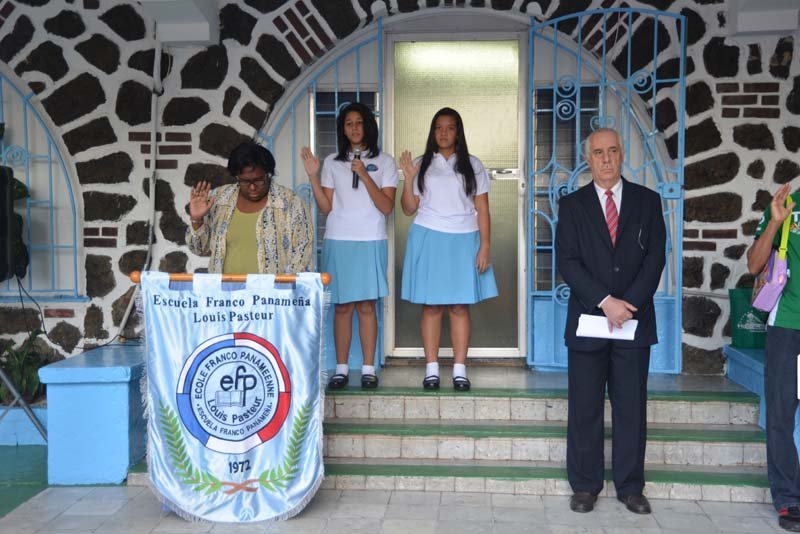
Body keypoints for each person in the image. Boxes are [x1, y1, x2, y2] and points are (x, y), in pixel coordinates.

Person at [555, 127, 665, 515]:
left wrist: (627, 305)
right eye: (599, 152)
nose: (606, 159)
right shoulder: (572, 205)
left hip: (633, 321)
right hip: (589, 321)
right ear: (588, 159)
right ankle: (585, 486)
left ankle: (630, 487)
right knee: (584, 407)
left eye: (613, 151)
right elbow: (567, 261)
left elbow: (655, 258)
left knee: (630, 407)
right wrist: (605, 302)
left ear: (621, 155)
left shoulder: (647, 201)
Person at [399, 107, 497, 392]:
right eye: (438, 128)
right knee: (431, 305)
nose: (443, 133)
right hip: (429, 236)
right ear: (432, 132)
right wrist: (408, 179)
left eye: (450, 128)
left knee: (459, 305)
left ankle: (459, 370)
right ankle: (431, 369)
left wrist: (485, 245)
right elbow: (408, 209)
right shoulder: (420, 164)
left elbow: (482, 209)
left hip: (464, 239)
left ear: (458, 132)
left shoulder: (473, 165)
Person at [300, 102, 398, 390]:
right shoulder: (332, 162)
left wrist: (365, 175)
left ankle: (368, 368)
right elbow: (326, 207)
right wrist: (313, 176)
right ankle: (341, 369)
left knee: (367, 305)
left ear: (368, 126)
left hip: (371, 239)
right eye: (348, 123)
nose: (354, 128)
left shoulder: (385, 162)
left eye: (359, 122)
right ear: (342, 129)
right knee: (342, 306)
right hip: (339, 238)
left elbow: (387, 207)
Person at [747, 182, 800, 532]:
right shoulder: (787, 205)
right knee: (781, 416)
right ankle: (789, 499)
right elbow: (754, 265)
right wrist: (775, 222)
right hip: (788, 327)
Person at [186, 142, 313, 274]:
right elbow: (199, 249)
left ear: (269, 174)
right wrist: (197, 219)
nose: (252, 187)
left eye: (258, 180)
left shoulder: (291, 203)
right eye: (245, 181)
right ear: (236, 177)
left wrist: (280, 285)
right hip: (224, 287)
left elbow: (303, 254)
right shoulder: (219, 199)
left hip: (271, 288)